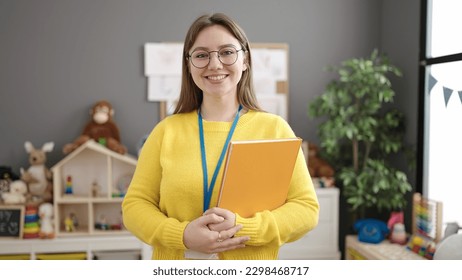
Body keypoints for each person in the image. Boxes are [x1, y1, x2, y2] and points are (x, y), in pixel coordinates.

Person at [122, 12, 319, 260]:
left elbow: (306, 210)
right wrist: (181, 235)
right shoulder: (165, 132)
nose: (214, 64)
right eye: (202, 55)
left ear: (245, 60)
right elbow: (134, 207)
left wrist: (244, 228)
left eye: (226, 52)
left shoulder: (275, 129)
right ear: (189, 65)